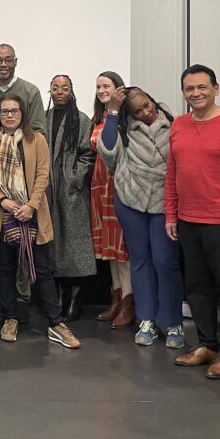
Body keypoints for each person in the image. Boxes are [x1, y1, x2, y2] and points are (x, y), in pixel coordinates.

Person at [166, 65, 220, 377]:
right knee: (198, 287)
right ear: (183, 93)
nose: (196, 93)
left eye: (202, 87)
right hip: (188, 220)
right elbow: (172, 174)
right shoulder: (178, 125)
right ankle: (207, 344)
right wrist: (170, 214)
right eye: (190, 89)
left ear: (216, 88)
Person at [0, 95, 82, 348]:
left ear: (23, 114)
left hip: (33, 214)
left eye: (14, 111)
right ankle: (10, 317)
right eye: (4, 112)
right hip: (2, 213)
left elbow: (42, 175)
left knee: (42, 271)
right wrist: (2, 200)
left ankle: (56, 323)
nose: (9, 116)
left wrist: (30, 206)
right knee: (4, 270)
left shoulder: (36, 139)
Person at [97, 85, 180, 347]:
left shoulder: (172, 122)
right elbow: (108, 153)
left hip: (163, 202)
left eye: (148, 105)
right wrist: (112, 112)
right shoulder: (122, 128)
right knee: (140, 261)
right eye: (138, 110)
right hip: (131, 200)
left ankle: (173, 322)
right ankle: (146, 320)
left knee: (165, 262)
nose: (146, 112)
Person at [45, 75, 98, 321]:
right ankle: (59, 296)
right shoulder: (43, 118)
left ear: (71, 91)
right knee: (53, 243)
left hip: (71, 190)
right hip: (47, 188)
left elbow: (88, 154)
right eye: (55, 88)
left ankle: (74, 300)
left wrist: (74, 178)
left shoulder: (82, 119)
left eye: (64, 88)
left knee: (73, 243)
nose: (59, 92)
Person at [89, 71, 134, 327]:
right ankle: (116, 298)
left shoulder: (124, 116)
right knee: (109, 250)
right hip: (99, 187)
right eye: (98, 86)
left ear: (118, 88)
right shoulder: (98, 117)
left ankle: (128, 301)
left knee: (122, 249)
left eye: (106, 85)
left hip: (118, 185)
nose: (102, 90)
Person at [0, 44, 46, 136]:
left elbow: (38, 130)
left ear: (15, 62)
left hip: (23, 149)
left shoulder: (31, 91)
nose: (3, 64)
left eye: (8, 60)